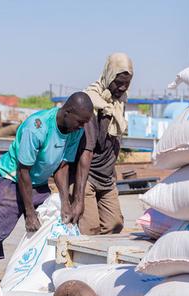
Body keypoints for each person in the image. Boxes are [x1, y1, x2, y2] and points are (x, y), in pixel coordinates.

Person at [0, 92, 93, 263]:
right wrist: (29, 212)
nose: (82, 126)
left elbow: (62, 166)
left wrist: (65, 203)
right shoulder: (37, 127)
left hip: (38, 183)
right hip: (12, 181)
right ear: (67, 112)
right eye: (80, 122)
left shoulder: (75, 131)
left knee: (49, 227)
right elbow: (23, 170)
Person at [72, 53, 133, 235]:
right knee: (90, 231)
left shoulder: (119, 102)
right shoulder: (92, 101)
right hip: (87, 176)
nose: (122, 88)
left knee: (115, 226)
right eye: (118, 82)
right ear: (109, 75)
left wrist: (112, 171)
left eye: (126, 83)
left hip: (106, 177)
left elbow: (114, 142)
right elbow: (93, 146)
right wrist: (79, 196)